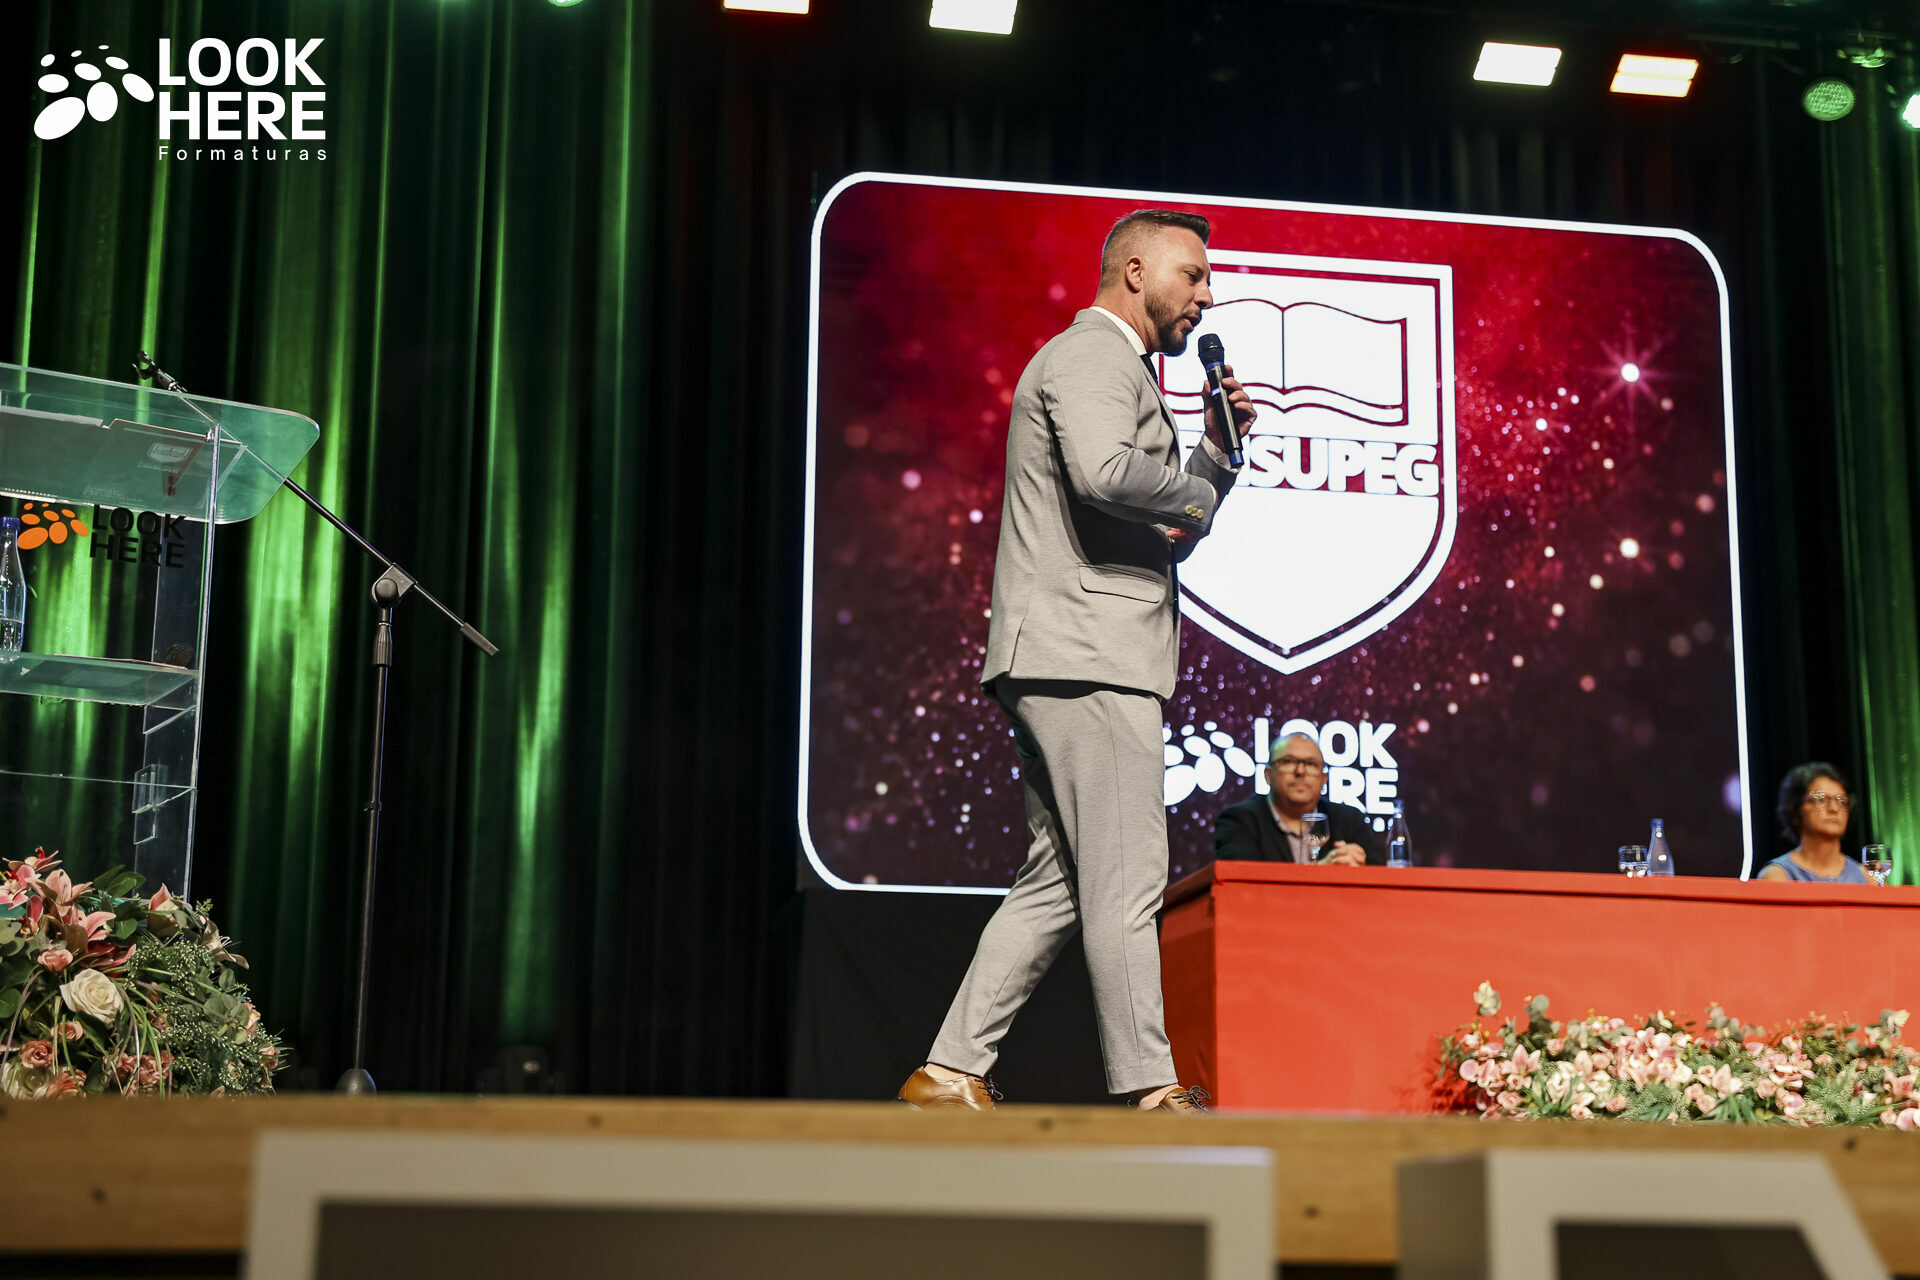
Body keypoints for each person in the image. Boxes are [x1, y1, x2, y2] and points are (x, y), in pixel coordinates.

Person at [896, 209, 1255, 1115]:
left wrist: (1215, 457)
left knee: (1057, 882)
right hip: (1092, 655)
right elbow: (1105, 474)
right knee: (1128, 879)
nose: (1207, 295)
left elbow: (1164, 530)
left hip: (1069, 651)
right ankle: (1150, 1088)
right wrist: (1192, 490)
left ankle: (948, 1071)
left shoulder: (1111, 366)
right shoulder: (1096, 354)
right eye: (1193, 275)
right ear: (1134, 272)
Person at [1213, 733, 1385, 866]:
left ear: (1324, 778)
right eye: (1288, 761)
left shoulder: (1349, 821)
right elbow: (1241, 884)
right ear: (1268, 775)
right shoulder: (1238, 821)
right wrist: (1322, 872)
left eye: (1310, 764)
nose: (1300, 771)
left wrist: (1360, 868)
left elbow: (1380, 881)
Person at [1756, 762, 1869, 884]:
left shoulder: (1866, 877)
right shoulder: (1777, 876)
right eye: (1821, 799)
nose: (1834, 809)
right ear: (1796, 809)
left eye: (1842, 801)